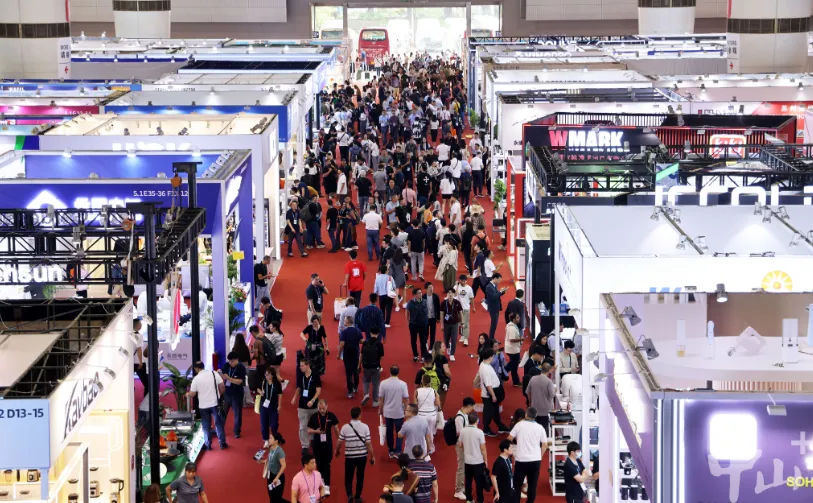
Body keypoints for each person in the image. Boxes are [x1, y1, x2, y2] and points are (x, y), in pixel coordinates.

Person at [507, 407, 549, 503]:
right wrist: (540, 456)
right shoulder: (540, 427)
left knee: (517, 485)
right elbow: (545, 445)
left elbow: (509, 439)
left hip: (521, 460)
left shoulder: (519, 425)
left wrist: (511, 450)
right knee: (532, 485)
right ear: (535, 416)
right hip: (535, 460)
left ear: (526, 414)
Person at [336, 407, 376, 503]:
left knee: (348, 477)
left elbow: (339, 441)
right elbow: (368, 443)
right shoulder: (365, 427)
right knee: (360, 476)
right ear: (359, 415)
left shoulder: (345, 427)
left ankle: (350, 495)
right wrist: (372, 455)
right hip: (362, 456)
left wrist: (337, 450)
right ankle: (357, 497)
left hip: (350, 457)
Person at [187, 361, 228, 450]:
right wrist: (220, 396)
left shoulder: (196, 379)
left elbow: (193, 394)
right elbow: (222, 387)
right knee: (218, 424)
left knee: (206, 425)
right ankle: (222, 443)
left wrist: (188, 394)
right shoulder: (214, 374)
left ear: (196, 369)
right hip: (215, 403)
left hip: (203, 405)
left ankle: (208, 444)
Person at [307, 399, 340, 497]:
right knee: (319, 465)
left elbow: (336, 428)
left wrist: (339, 440)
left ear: (327, 406)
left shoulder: (331, 416)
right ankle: (321, 484)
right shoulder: (314, 416)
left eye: (323, 408)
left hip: (327, 444)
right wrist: (316, 431)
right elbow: (308, 430)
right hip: (317, 444)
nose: (322, 410)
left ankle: (327, 486)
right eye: (320, 408)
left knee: (327, 465)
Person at [379, 365, 410, 458]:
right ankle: (398, 450)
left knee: (389, 431)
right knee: (399, 431)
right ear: (398, 372)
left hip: (387, 412)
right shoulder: (403, 384)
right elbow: (406, 398)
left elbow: (381, 398)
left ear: (390, 372)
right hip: (399, 412)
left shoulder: (383, 383)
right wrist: (407, 410)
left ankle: (391, 450)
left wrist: (380, 409)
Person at [291, 359, 322, 452]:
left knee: (314, 425)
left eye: (302, 366)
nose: (300, 367)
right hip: (302, 406)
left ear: (308, 365)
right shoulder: (301, 375)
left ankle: (313, 440)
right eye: (300, 366)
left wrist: (313, 400)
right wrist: (294, 397)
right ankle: (304, 446)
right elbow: (299, 388)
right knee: (303, 426)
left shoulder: (315, 375)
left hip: (313, 406)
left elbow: (318, 390)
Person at [478, 348, 509, 437]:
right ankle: (486, 429)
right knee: (489, 413)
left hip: (492, 392)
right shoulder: (486, 369)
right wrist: (493, 395)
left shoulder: (484, 364)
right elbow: (488, 385)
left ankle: (500, 426)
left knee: (495, 411)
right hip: (489, 394)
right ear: (490, 357)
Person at [458, 412, 487, 503]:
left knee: (468, 481)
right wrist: (485, 461)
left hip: (467, 461)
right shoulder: (480, 432)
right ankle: (480, 500)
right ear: (477, 421)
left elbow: (460, 445)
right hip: (478, 461)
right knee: (479, 482)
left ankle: (469, 499)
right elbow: (483, 449)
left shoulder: (463, 431)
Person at [219, 351, 247, 438]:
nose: (231, 363)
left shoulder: (241, 367)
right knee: (223, 412)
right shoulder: (226, 365)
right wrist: (220, 373)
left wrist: (228, 378)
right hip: (227, 393)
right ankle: (220, 429)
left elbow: (239, 381)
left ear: (237, 360)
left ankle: (237, 431)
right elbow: (223, 375)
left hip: (237, 394)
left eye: (232, 361)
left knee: (237, 414)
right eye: (230, 361)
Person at [259, 431, 288, 503]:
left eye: (271, 438)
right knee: (271, 496)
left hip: (277, 478)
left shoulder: (280, 452)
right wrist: (261, 461)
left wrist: (277, 477)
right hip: (270, 476)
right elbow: (270, 460)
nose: (269, 440)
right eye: (269, 438)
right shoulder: (270, 448)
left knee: (277, 498)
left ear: (276, 441)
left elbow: (283, 465)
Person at [258, 366, 284, 447]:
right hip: (264, 405)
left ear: (272, 375)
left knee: (274, 424)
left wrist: (279, 405)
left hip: (273, 405)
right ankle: (266, 440)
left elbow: (280, 394)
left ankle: (274, 438)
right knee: (264, 423)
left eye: (268, 374)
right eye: (265, 374)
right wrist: (260, 392)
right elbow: (258, 388)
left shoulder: (277, 383)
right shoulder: (263, 381)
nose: (266, 376)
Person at [338, 316, 364, 398]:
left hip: (347, 354)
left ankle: (350, 392)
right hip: (356, 353)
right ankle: (355, 387)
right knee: (356, 371)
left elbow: (342, 344)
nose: (344, 322)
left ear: (348, 322)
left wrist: (339, 354)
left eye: (345, 320)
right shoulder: (357, 330)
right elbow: (362, 341)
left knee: (349, 373)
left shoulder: (344, 332)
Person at [414, 374, 440, 453]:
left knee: (421, 433)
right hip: (431, 415)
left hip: (421, 415)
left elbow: (415, 404)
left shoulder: (417, 391)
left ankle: (422, 449)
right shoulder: (434, 391)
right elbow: (437, 404)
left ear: (422, 381)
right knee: (430, 432)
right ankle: (431, 448)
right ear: (430, 382)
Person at [527, 363, 556, 432]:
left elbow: (528, 392)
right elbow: (552, 395)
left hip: (535, 408)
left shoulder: (533, 378)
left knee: (535, 429)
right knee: (544, 430)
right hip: (546, 410)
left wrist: (530, 403)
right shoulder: (549, 381)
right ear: (549, 370)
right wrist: (555, 390)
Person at [360, 327, 385, 406]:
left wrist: (359, 365)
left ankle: (366, 394)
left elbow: (361, 355)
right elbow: (381, 356)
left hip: (366, 365)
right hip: (376, 366)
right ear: (378, 334)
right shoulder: (379, 344)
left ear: (370, 333)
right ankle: (375, 401)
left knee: (366, 381)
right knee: (376, 383)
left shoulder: (365, 343)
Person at [405, 287, 429, 362]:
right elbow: (407, 312)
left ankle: (423, 356)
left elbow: (427, 312)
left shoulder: (425, 301)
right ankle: (415, 355)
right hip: (413, 324)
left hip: (423, 324)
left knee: (423, 341)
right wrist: (408, 321)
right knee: (413, 340)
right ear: (415, 295)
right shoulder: (410, 303)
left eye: (421, 293)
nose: (420, 294)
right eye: (418, 293)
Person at [439, 288, 463, 361]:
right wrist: (442, 325)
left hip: (455, 323)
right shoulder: (444, 303)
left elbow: (460, 313)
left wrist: (461, 322)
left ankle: (452, 354)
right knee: (446, 339)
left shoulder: (457, 302)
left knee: (454, 339)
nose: (450, 294)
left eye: (452, 293)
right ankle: (448, 347)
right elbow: (441, 314)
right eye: (449, 293)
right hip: (446, 324)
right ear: (447, 294)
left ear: (454, 294)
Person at [485, 273, 508, 340]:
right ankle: (491, 339)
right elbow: (493, 297)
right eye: (499, 280)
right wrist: (500, 292)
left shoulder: (494, 286)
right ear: (495, 278)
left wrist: (502, 292)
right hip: (493, 308)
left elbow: (497, 295)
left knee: (495, 325)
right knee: (493, 325)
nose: (499, 282)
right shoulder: (489, 287)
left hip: (496, 307)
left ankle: (492, 338)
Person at [454, 274, 475, 347]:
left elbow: (471, 298)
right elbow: (455, 295)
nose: (463, 282)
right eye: (461, 281)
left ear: (466, 281)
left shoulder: (469, 288)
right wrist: (457, 286)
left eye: (464, 281)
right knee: (459, 323)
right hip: (457, 309)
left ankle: (466, 338)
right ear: (459, 280)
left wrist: (473, 307)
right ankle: (462, 335)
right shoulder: (456, 287)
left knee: (465, 323)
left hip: (466, 308)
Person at [504, 312, 523, 387]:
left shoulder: (512, 326)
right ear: (514, 319)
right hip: (513, 350)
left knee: (514, 365)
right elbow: (511, 339)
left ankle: (515, 381)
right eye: (517, 317)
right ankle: (502, 373)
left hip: (513, 349)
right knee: (513, 365)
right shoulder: (512, 328)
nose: (519, 319)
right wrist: (521, 339)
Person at [431, 341, 452, 408]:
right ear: (439, 348)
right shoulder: (443, 358)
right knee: (441, 399)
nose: (445, 347)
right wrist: (450, 377)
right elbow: (446, 371)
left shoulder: (432, 357)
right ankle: (440, 412)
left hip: (433, 380)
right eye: (443, 346)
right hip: (442, 381)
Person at [424, 282, 441, 349]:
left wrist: (438, 318)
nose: (431, 289)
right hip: (426, 318)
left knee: (433, 333)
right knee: (425, 332)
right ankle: (425, 343)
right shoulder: (423, 297)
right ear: (426, 289)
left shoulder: (436, 296)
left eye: (432, 287)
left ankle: (431, 347)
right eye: (429, 287)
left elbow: (438, 307)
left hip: (433, 317)